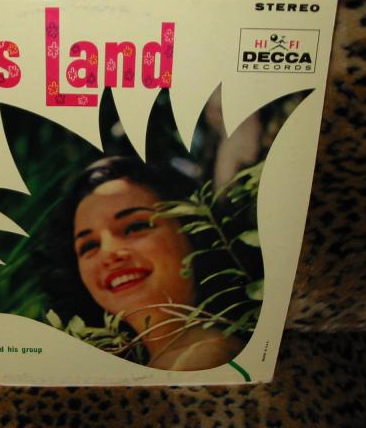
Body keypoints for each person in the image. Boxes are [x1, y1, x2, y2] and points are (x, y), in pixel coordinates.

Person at [48, 156, 243, 371]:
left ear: (193, 230)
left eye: (134, 227)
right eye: (89, 246)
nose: (109, 253)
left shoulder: (204, 358)